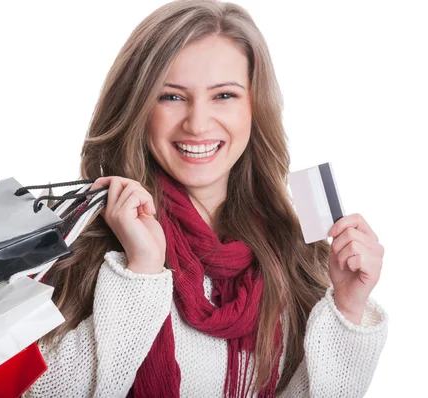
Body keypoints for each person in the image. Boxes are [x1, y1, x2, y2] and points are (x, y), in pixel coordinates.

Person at [24, 0, 388, 396]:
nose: (197, 124)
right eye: (172, 97)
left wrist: (347, 308)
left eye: (224, 96)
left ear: (255, 106)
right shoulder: (80, 241)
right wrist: (141, 270)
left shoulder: (294, 253)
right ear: (139, 107)